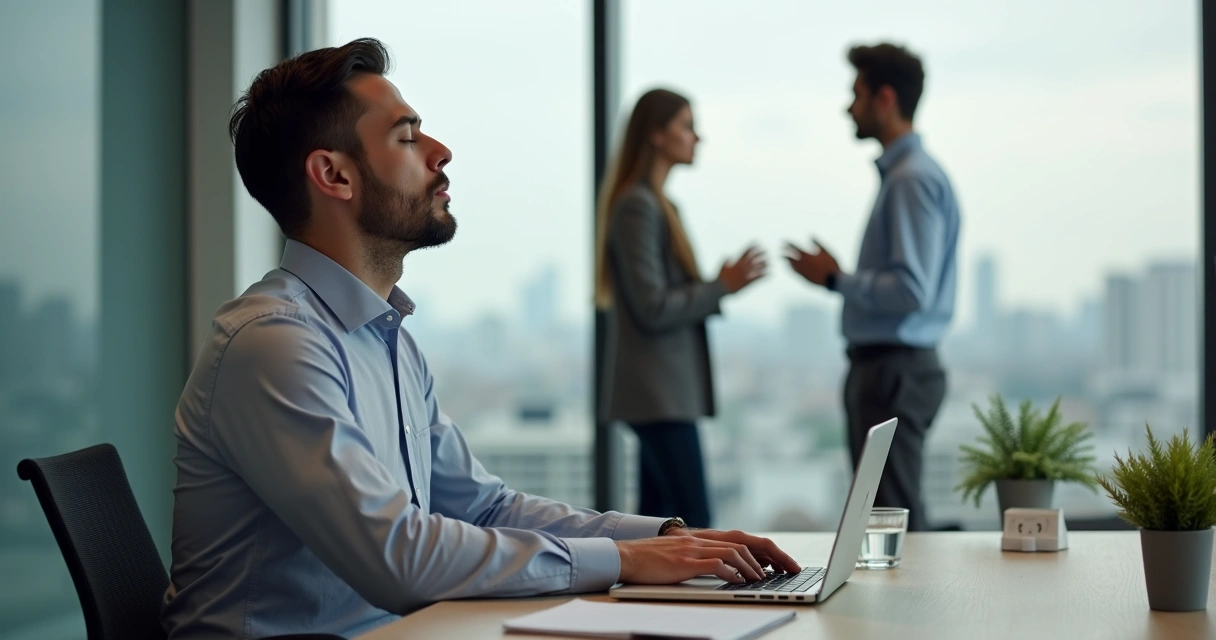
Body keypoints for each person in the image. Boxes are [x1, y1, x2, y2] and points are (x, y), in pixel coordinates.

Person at [161, 39, 798, 639]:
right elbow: (398, 558)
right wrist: (625, 560)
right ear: (334, 174)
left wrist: (666, 537)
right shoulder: (275, 344)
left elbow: (483, 509)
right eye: (407, 137)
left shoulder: (387, 338)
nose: (440, 152)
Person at [785, 43, 960, 532]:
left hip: (893, 371)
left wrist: (836, 279)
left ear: (885, 98)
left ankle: (908, 610)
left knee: (893, 521)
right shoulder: (908, 176)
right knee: (888, 514)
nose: (848, 107)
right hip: (892, 370)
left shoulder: (910, 180)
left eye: (856, 94)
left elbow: (910, 291)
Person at [594, 89, 766, 529]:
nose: (697, 137)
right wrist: (720, 288)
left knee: (660, 529)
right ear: (656, 134)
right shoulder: (640, 206)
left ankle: (653, 600)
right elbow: (652, 307)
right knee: (695, 522)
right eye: (687, 126)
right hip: (658, 397)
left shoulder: (656, 205)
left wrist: (718, 288)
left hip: (661, 396)